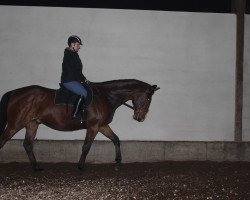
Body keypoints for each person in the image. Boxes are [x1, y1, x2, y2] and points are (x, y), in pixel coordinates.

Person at [61, 35, 89, 119]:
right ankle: (75, 114)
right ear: (72, 45)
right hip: (69, 80)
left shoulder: (73, 54)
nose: (79, 47)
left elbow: (77, 71)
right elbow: (75, 71)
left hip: (74, 79)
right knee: (84, 93)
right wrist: (84, 80)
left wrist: (84, 80)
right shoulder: (70, 55)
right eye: (78, 44)